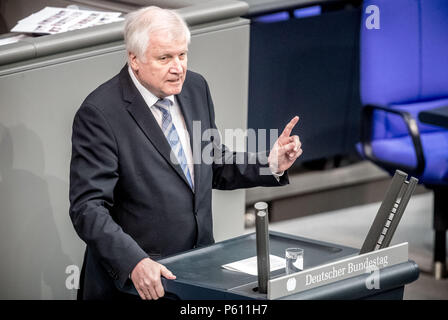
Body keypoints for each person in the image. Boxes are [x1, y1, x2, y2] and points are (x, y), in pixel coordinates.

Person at [69, 6, 302, 300]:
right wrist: (134, 262)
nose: (178, 67)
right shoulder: (100, 113)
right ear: (134, 58)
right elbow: (87, 208)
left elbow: (212, 161)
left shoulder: (194, 87)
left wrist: (271, 163)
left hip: (196, 272)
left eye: (182, 55)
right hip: (136, 284)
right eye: (164, 58)